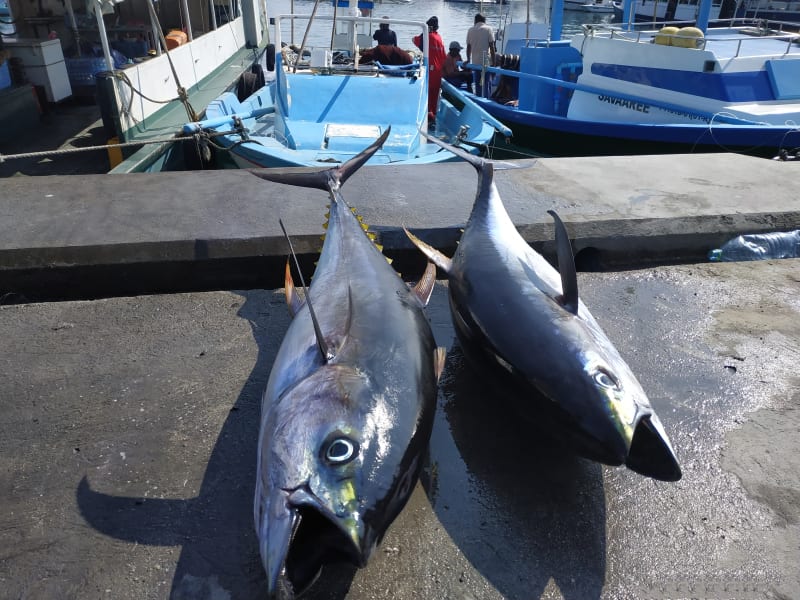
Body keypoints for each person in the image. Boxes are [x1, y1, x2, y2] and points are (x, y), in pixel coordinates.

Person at [412, 16, 447, 122]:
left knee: (426, 94)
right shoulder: (439, 38)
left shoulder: (428, 37)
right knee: (434, 96)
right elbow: (444, 56)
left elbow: (414, 40)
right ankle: (433, 117)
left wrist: (424, 32)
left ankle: (426, 118)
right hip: (438, 71)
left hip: (430, 70)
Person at [466, 13, 496, 97]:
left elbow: (468, 47)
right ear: (484, 21)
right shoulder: (488, 29)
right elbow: (492, 47)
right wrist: (494, 63)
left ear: (475, 20)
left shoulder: (470, 30)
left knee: (478, 84)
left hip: (475, 62)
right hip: (485, 62)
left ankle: (479, 100)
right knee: (486, 84)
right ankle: (486, 101)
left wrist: (468, 59)